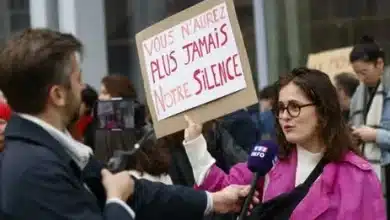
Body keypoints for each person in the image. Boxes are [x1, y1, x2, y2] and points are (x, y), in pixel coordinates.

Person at [0, 28, 258, 220]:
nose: (83, 88)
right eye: (78, 79)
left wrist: (212, 200)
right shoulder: (34, 172)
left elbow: (139, 191)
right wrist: (116, 202)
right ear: (57, 95)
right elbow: (120, 192)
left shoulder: (49, 151)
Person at [182, 67, 386, 219]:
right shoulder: (269, 163)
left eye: (294, 107)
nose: (285, 116)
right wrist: (195, 143)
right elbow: (221, 191)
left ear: (323, 111)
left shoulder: (359, 176)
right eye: (280, 108)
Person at [349, 36, 390, 181]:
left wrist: (375, 135)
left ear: (379, 63)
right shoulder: (358, 95)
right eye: (357, 73)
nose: (361, 78)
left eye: (364, 72)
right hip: (367, 168)